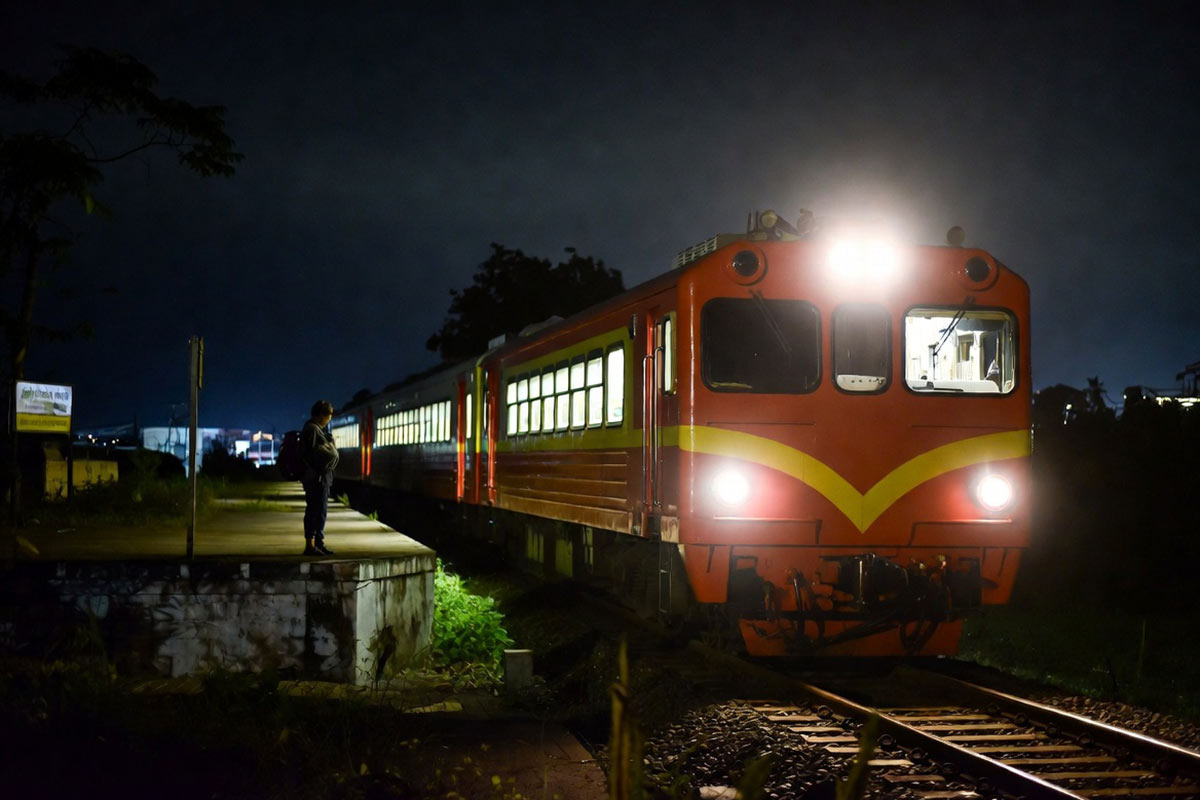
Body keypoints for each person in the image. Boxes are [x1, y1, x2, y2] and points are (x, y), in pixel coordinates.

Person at [300, 399, 340, 555]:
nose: (330, 418)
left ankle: (317, 543)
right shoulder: (313, 430)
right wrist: (332, 447)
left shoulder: (314, 429)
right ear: (320, 415)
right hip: (317, 478)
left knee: (317, 510)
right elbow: (326, 455)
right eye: (328, 415)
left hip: (317, 477)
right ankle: (312, 545)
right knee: (317, 510)